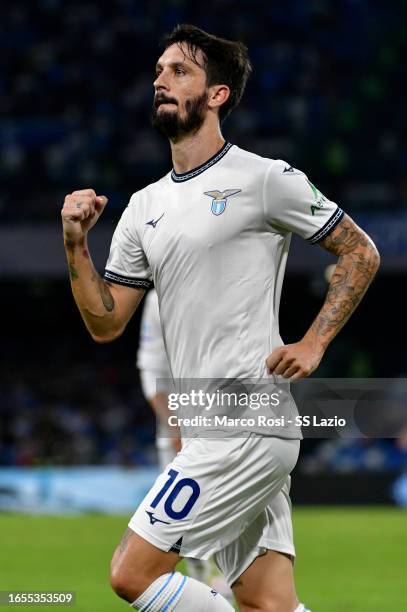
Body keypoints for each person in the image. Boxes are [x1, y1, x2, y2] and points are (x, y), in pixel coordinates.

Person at [61, 23, 380, 612]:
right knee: (269, 605)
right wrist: (77, 245)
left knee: (132, 575)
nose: (160, 79)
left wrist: (313, 343)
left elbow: (361, 251)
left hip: (249, 417)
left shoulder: (264, 179)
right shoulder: (143, 207)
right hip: (206, 420)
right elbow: (106, 323)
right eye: (158, 70)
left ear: (217, 95)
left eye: (179, 71)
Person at [137, 288, 233, 602]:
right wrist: (171, 424)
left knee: (229, 508)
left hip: (229, 424)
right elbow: (151, 368)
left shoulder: (229, 289)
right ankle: (202, 584)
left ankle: (229, 578)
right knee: (180, 522)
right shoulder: (157, 301)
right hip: (179, 430)